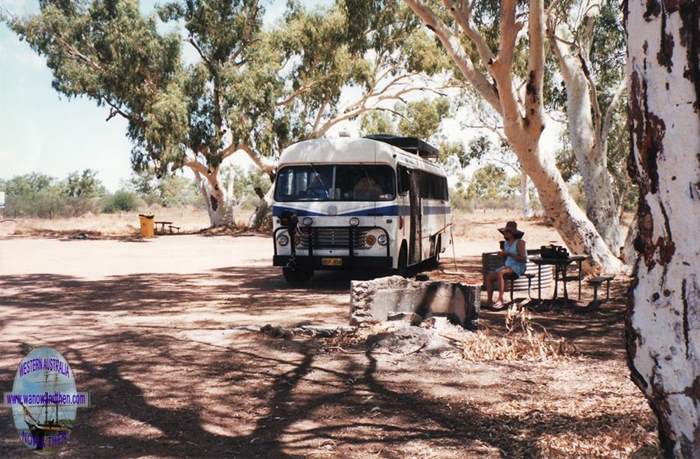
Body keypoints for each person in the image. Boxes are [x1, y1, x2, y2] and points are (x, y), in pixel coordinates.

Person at [484, 221, 527, 310]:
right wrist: (503, 255)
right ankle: (489, 301)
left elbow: (523, 258)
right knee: (489, 277)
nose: (505, 234)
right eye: (505, 232)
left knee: (501, 272)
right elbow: (506, 258)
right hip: (508, 266)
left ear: (513, 233)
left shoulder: (520, 243)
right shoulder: (505, 243)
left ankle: (500, 299)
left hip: (518, 266)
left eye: (508, 232)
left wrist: (508, 254)